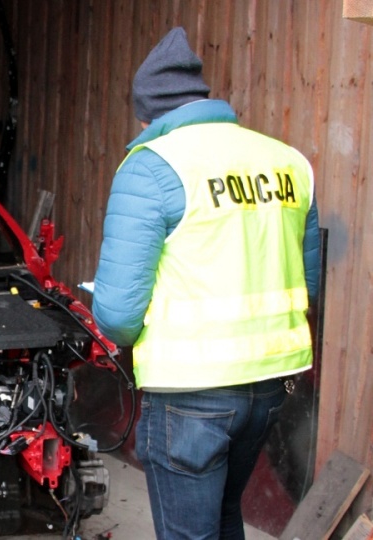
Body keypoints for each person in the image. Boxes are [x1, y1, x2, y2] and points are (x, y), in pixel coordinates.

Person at [91, 27, 320, 540]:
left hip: (189, 393)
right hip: (269, 388)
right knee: (222, 515)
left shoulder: (152, 167)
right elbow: (308, 281)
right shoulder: (287, 162)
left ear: (149, 114)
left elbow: (119, 314)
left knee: (190, 533)